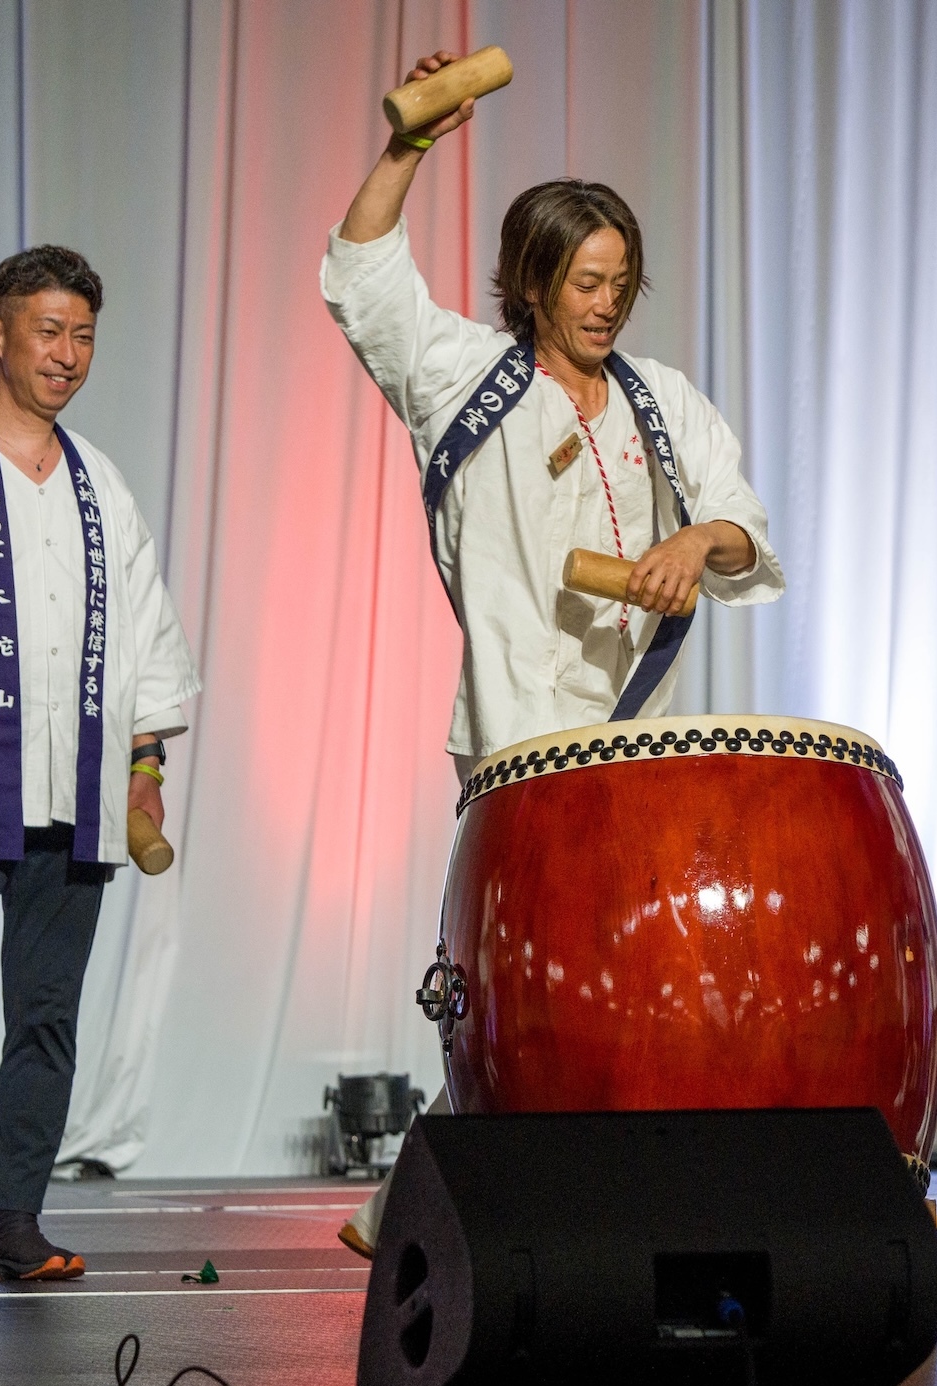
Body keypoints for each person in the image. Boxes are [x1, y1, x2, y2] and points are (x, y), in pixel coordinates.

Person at [322, 51, 783, 1257]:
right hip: (520, 739)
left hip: (636, 745)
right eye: (585, 279)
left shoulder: (663, 400)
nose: (606, 302)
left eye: (622, 281)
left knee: (622, 987)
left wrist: (700, 537)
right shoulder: (465, 377)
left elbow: (745, 526)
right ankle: (448, 1198)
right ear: (531, 281)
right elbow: (364, 277)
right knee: (518, 993)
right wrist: (408, 146)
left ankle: (508, 1197)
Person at [0, 246, 200, 1281]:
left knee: (48, 1020)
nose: (66, 355)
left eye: (83, 335)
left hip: (80, 797)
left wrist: (145, 764)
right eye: (47, 331)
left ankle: (15, 1224)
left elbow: (147, 639)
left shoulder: (101, 484)